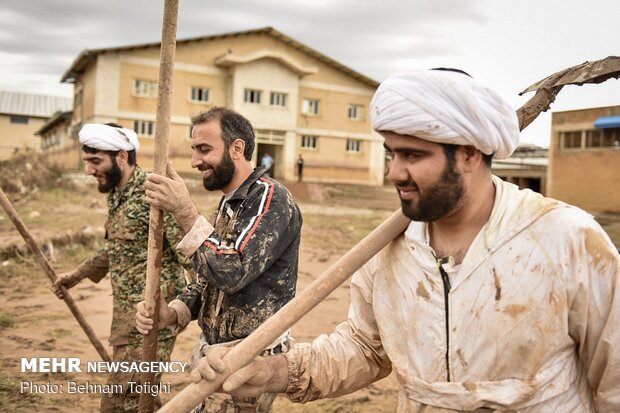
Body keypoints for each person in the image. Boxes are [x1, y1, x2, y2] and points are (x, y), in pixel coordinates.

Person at [191, 69, 620, 412]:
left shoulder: (567, 240)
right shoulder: (388, 250)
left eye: (413, 156)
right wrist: (273, 373)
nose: (394, 173)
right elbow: (364, 348)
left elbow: (614, 382)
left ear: (470, 154)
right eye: (391, 153)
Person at [135, 107, 303, 413]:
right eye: (194, 150)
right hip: (216, 359)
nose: (195, 161)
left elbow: (232, 271)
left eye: (204, 150)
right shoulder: (228, 203)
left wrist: (185, 211)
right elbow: (208, 279)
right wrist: (173, 312)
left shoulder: (270, 199)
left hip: (247, 364)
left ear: (237, 148)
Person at [52, 123, 191, 413]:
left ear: (122, 157)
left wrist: (190, 309)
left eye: (95, 161)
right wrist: (74, 277)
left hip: (151, 319)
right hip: (124, 320)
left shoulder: (154, 192)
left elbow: (189, 251)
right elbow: (116, 247)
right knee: (140, 399)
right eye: (87, 162)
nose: (89, 170)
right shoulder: (117, 192)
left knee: (120, 403)